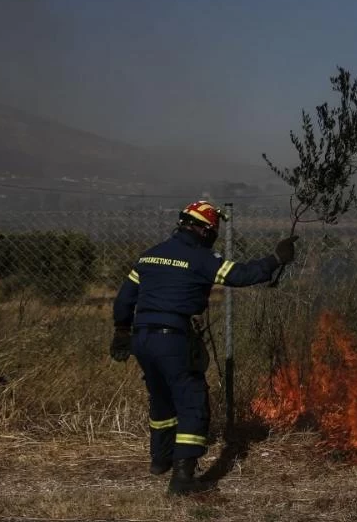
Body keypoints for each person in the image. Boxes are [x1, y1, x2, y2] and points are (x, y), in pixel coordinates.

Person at [109, 200, 297, 495]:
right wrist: (276, 259)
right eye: (214, 230)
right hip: (173, 338)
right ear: (205, 230)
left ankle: (160, 460)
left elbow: (124, 300)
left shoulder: (150, 255)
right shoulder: (201, 259)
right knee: (192, 401)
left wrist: (122, 331)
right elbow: (240, 275)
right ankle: (183, 478)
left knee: (161, 398)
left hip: (143, 338)